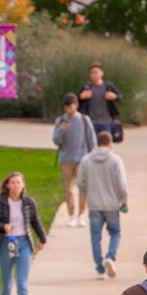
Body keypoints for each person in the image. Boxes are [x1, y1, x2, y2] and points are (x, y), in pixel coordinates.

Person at [77, 131, 128, 279]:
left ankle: (99, 268)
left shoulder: (86, 160)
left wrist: (88, 192)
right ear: (110, 143)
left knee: (95, 236)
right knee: (115, 232)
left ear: (97, 142)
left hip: (94, 204)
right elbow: (122, 184)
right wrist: (123, 201)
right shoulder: (116, 160)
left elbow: (80, 182)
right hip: (112, 204)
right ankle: (110, 256)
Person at [53, 92, 97, 227]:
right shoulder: (60, 121)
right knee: (69, 189)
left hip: (82, 158)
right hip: (66, 158)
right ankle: (71, 214)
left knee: (83, 187)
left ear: (76, 105)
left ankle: (81, 214)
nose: (69, 110)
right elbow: (56, 140)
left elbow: (91, 139)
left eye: (71, 107)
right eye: (67, 108)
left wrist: (92, 156)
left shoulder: (84, 120)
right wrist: (61, 130)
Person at [78, 62, 123, 137]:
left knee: (105, 144)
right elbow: (76, 100)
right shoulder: (87, 87)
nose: (94, 75)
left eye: (96, 72)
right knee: (92, 144)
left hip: (106, 122)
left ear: (101, 73)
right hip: (91, 121)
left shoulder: (108, 86)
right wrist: (81, 97)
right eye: (92, 73)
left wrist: (114, 96)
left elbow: (120, 97)